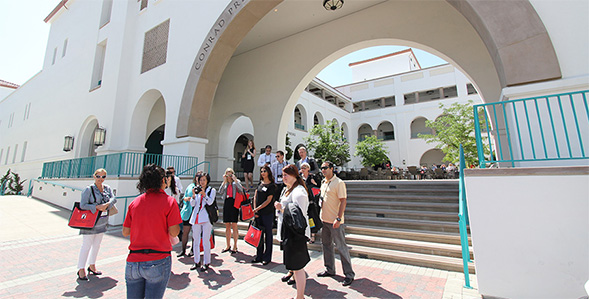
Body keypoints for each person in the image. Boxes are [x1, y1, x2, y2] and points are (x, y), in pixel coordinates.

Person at [122, 164, 182, 299]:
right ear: (162, 180)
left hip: (133, 260)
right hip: (158, 259)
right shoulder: (169, 202)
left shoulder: (135, 203)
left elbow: (125, 232)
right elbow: (174, 232)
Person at [274, 164, 311, 299]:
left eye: (286, 175)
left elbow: (298, 216)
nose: (283, 177)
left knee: (298, 266)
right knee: (295, 266)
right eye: (282, 175)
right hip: (289, 231)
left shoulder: (299, 191)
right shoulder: (288, 189)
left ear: (294, 175)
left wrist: (281, 207)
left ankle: (300, 296)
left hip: (296, 234)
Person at [317, 161, 355, 287]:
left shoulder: (339, 183)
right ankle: (330, 269)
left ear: (332, 169)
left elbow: (343, 201)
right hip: (324, 220)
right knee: (326, 245)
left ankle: (349, 274)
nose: (323, 170)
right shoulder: (323, 182)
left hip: (335, 222)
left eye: (325, 168)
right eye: (322, 168)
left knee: (341, 247)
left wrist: (338, 218)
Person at [76, 168, 117, 281]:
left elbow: (114, 198)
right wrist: (96, 207)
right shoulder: (88, 190)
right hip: (90, 221)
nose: (100, 179)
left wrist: (108, 204)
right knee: (86, 245)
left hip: (102, 220)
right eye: (98, 176)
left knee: (97, 244)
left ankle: (92, 265)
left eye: (103, 177)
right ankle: (81, 268)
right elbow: (83, 205)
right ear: (94, 176)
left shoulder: (107, 188)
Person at [189, 173, 216, 271]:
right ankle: (196, 261)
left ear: (207, 180)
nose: (202, 182)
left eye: (204, 180)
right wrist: (193, 195)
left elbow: (210, 202)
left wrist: (204, 195)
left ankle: (206, 261)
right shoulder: (196, 190)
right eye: (200, 180)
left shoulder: (211, 190)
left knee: (205, 241)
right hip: (196, 218)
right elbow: (193, 204)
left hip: (206, 218)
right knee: (195, 241)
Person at [251, 164, 276, 265]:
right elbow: (255, 196)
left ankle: (267, 257)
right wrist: (255, 210)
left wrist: (258, 208)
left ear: (268, 172)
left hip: (267, 213)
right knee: (259, 235)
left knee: (268, 235)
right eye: (261, 171)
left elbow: (268, 200)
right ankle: (259, 255)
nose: (263, 173)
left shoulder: (272, 186)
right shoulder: (260, 184)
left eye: (264, 171)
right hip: (258, 213)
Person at [218, 168, 244, 253]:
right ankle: (228, 245)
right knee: (227, 225)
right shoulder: (225, 183)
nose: (229, 176)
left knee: (234, 225)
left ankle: (235, 245)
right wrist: (224, 181)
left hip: (234, 203)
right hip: (227, 203)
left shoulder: (236, 182)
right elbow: (220, 192)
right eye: (227, 175)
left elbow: (241, 190)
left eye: (230, 174)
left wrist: (235, 180)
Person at [178, 173, 199, 257]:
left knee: (195, 233)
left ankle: (193, 250)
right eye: (197, 177)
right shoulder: (190, 186)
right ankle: (183, 250)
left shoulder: (202, 188)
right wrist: (186, 199)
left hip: (196, 212)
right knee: (185, 232)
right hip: (188, 211)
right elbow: (184, 198)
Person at [300, 162, 320, 243]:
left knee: (312, 218)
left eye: (305, 167)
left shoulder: (312, 177)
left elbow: (319, 185)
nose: (303, 169)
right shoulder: (300, 178)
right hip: (303, 201)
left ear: (308, 169)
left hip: (312, 201)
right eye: (302, 168)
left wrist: (314, 183)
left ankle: (313, 235)